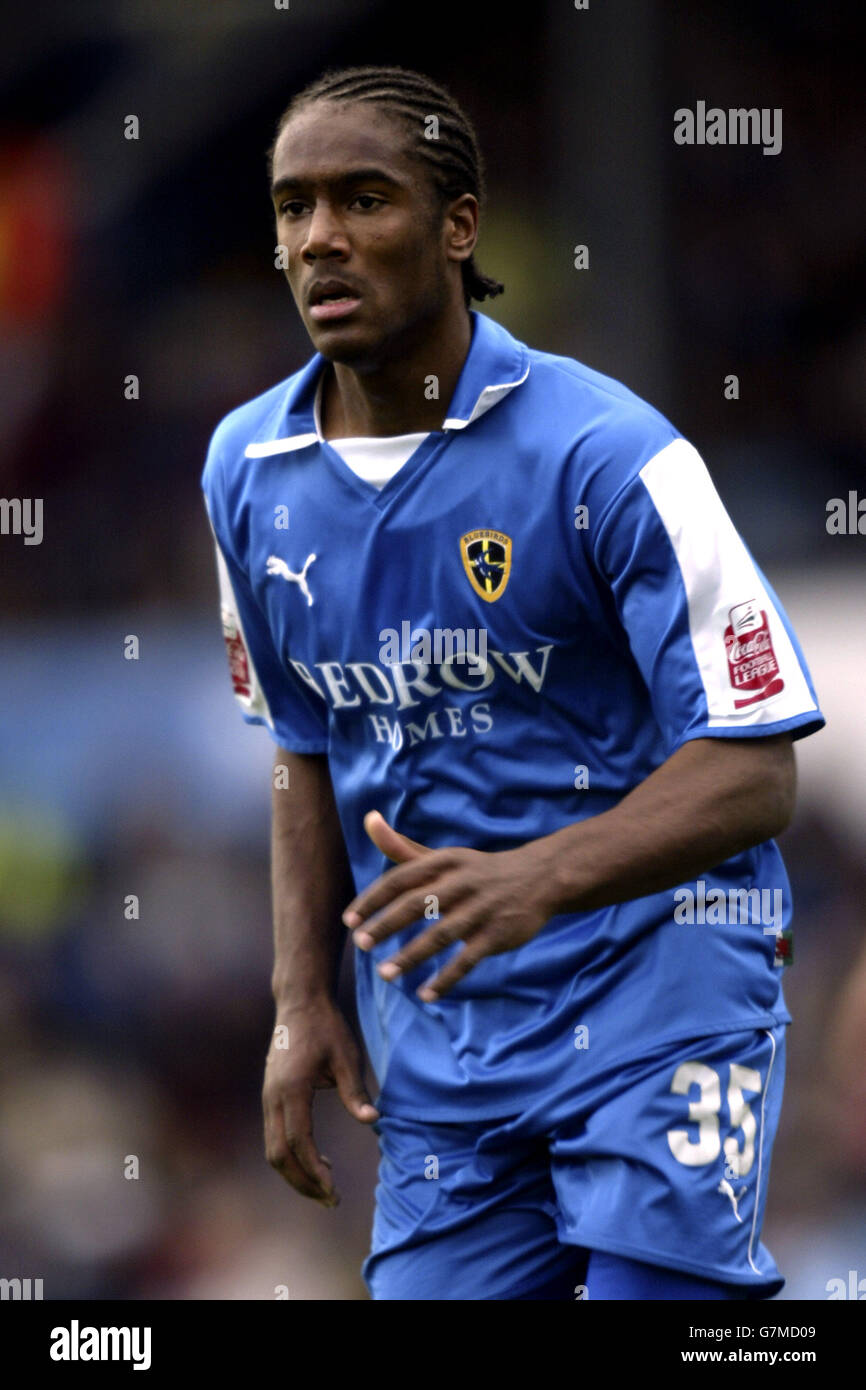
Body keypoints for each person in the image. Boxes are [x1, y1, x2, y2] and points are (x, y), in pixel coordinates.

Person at [201, 64, 825, 1300]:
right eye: (291, 207)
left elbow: (754, 766)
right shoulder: (247, 469)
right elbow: (301, 739)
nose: (318, 237)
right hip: (447, 1045)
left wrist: (540, 876)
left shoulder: (609, 455)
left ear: (458, 226)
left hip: (662, 999)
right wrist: (297, 998)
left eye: (362, 198)